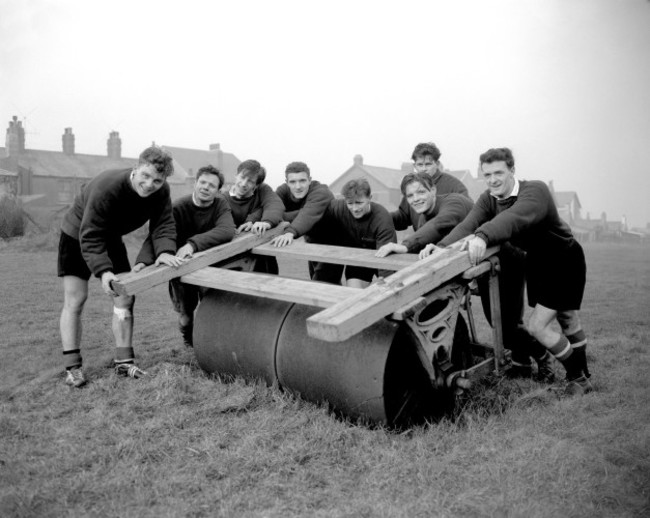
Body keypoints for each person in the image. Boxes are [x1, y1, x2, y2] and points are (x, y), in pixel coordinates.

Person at [434, 147, 592, 395]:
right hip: (538, 262)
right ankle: (583, 374)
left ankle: (578, 377)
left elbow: (514, 218)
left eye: (499, 172)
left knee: (542, 325)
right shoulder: (488, 198)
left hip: (563, 260)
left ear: (512, 171)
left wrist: (483, 236)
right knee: (565, 317)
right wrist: (441, 248)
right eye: (487, 175)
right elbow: (468, 225)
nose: (493, 180)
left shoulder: (535, 190)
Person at [58, 146, 184, 387]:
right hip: (77, 235)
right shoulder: (107, 187)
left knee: (124, 297)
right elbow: (91, 235)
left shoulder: (161, 191)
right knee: (76, 299)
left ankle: (124, 363)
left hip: (111, 236)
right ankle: (73, 368)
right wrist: (104, 272)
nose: (149, 184)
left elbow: (164, 224)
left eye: (157, 180)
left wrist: (166, 252)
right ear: (136, 169)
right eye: (145, 176)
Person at [148, 165, 235, 348]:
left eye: (212, 185)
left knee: (210, 310)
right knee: (186, 316)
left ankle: (208, 346)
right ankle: (188, 342)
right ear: (195, 183)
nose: (205, 187)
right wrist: (145, 261)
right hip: (181, 269)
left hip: (209, 267)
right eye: (202, 182)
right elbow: (161, 234)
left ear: (218, 190)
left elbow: (227, 230)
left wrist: (192, 244)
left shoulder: (220, 205)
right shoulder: (178, 207)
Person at [313, 178, 397, 288]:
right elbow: (313, 213)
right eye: (350, 203)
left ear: (369, 198)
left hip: (382, 255)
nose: (354, 208)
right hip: (359, 257)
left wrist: (386, 283)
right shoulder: (339, 207)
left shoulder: (382, 218)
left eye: (359, 203)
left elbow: (387, 260)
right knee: (353, 292)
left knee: (387, 289)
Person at [376, 172, 473, 258]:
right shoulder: (422, 217)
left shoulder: (455, 202)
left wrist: (405, 245)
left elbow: (439, 223)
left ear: (433, 190)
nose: (415, 199)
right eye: (410, 196)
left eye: (421, 192)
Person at [223, 159, 284, 273]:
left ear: (256, 185)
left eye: (250, 181)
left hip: (264, 261)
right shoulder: (222, 199)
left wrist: (266, 221)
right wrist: (257, 214)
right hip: (234, 261)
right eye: (242, 177)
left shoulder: (262, 191)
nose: (244, 184)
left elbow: (275, 205)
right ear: (236, 176)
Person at [270, 161, 334, 248]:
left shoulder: (321, 192)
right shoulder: (283, 191)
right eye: (292, 182)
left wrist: (289, 232)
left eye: (302, 181)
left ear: (309, 180)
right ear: (287, 182)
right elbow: (270, 209)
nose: (298, 187)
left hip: (336, 240)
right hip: (312, 241)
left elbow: (307, 214)